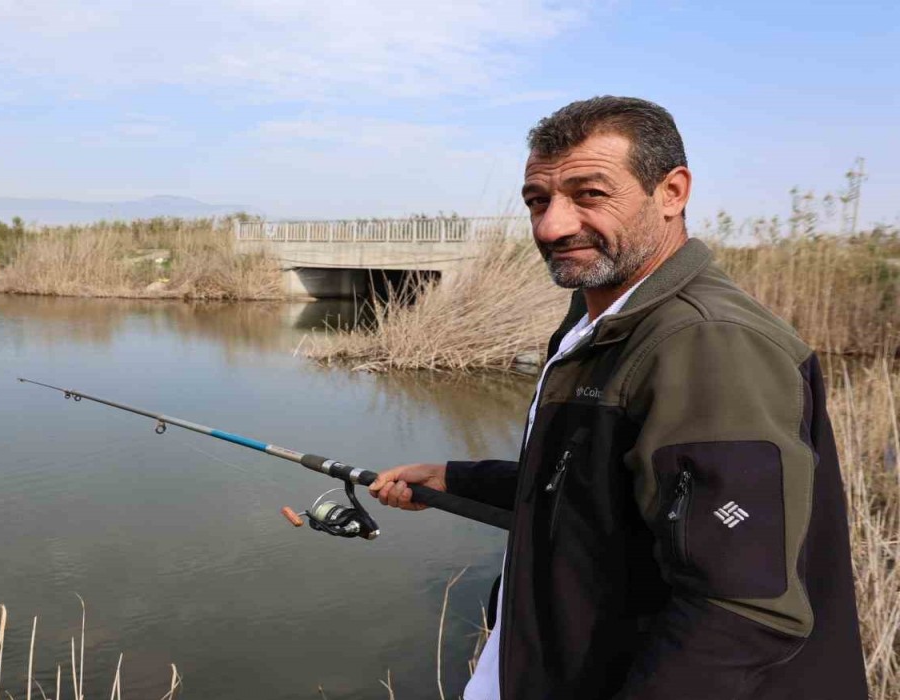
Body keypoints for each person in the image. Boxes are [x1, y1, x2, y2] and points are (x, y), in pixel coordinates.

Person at [369, 96, 867, 699]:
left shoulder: (706, 342)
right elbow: (597, 496)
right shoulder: (593, 321)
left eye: (590, 194)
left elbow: (742, 609)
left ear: (672, 192)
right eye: (537, 200)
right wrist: (459, 478)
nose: (552, 226)